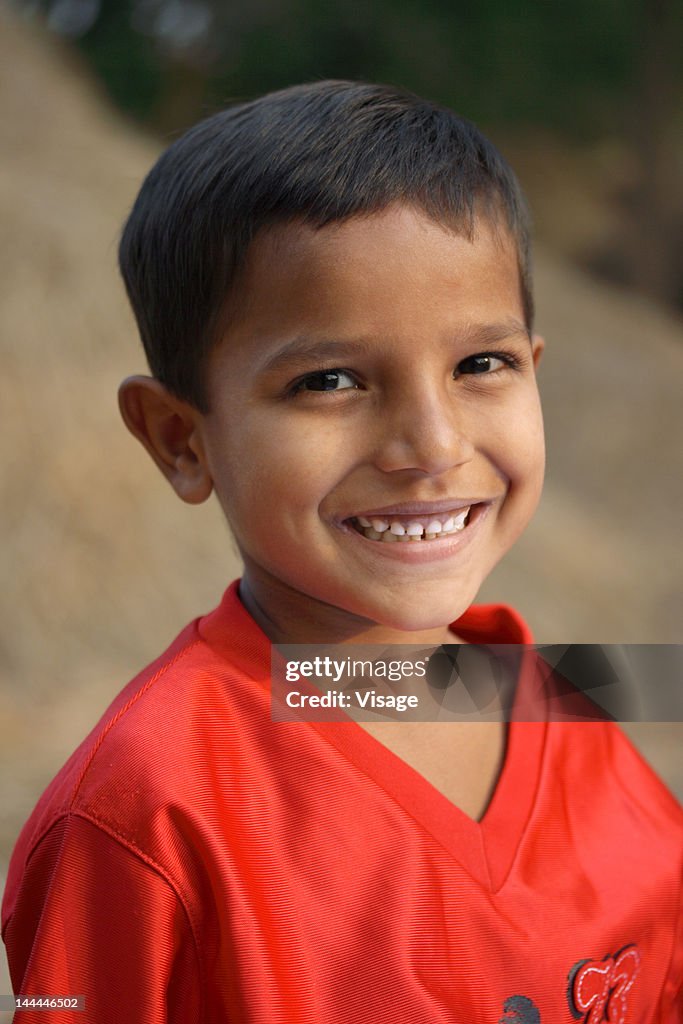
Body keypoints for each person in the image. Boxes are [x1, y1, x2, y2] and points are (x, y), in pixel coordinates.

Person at [2, 81, 681, 1023]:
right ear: (179, 440)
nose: (433, 446)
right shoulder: (143, 815)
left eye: (480, 365)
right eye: (328, 381)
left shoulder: (575, 716)